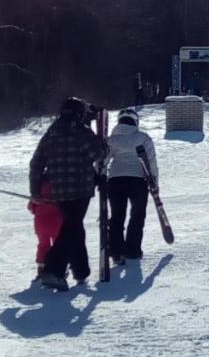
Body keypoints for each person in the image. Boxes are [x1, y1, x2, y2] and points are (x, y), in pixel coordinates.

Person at [29, 98, 106, 291]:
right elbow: (99, 153)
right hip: (80, 189)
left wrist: (35, 190)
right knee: (71, 229)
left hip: (58, 190)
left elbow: (36, 162)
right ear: (79, 114)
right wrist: (103, 143)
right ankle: (53, 269)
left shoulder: (51, 132)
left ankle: (81, 271)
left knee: (74, 227)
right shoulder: (81, 131)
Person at [105, 107, 158, 261]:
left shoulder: (111, 140)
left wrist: (99, 176)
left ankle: (116, 250)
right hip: (138, 180)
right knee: (137, 215)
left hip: (115, 180)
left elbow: (103, 161)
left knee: (117, 215)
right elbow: (152, 161)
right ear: (135, 121)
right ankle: (132, 249)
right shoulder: (143, 138)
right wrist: (155, 181)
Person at [28, 181, 62, 281]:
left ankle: (41, 267)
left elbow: (31, 206)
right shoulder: (60, 187)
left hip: (41, 222)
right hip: (57, 221)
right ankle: (58, 268)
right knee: (59, 245)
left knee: (43, 245)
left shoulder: (38, 190)